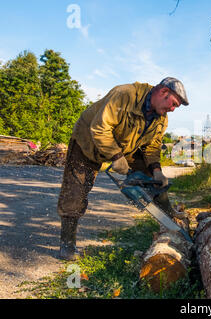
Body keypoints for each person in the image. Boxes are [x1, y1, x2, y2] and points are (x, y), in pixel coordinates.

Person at [57, 77, 189, 260]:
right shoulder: (124, 95)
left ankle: (169, 217)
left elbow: (152, 146)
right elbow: (100, 128)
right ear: (163, 92)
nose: (172, 109)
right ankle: (67, 244)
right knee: (76, 191)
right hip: (87, 141)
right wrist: (117, 157)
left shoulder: (161, 119)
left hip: (124, 145)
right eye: (173, 104)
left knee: (154, 178)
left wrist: (157, 170)